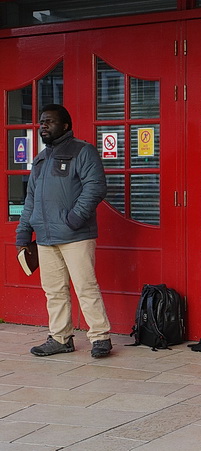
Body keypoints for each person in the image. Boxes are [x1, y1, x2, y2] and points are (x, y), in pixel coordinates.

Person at [16, 104, 112, 359]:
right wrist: (24, 234)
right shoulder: (40, 159)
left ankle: (100, 337)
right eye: (41, 122)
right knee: (54, 290)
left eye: (49, 122)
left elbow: (96, 187)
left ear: (65, 126)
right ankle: (60, 338)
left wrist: (74, 219)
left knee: (85, 287)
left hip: (75, 235)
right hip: (45, 239)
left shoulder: (83, 151)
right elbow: (30, 200)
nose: (43, 126)